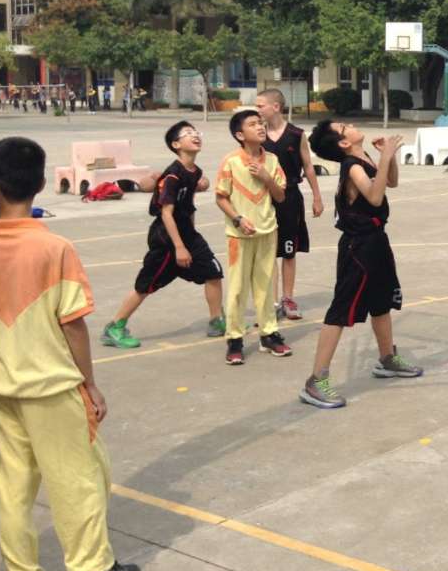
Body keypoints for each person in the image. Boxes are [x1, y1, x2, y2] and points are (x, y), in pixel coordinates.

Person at [0, 137, 143, 571]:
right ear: (42, 184)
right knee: (79, 482)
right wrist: (89, 383)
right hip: (54, 390)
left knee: (12, 490)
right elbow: (73, 323)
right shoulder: (55, 247)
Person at [299, 120, 423, 409]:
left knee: (381, 303)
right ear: (343, 143)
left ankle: (387, 358)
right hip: (358, 247)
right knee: (341, 310)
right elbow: (375, 195)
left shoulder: (363, 157)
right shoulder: (352, 166)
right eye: (345, 127)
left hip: (376, 241)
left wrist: (386, 158)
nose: (352, 125)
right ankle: (316, 380)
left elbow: (390, 182)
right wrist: (385, 156)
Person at [101, 122, 226, 349]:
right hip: (167, 239)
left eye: (196, 132)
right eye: (188, 134)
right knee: (146, 285)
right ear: (176, 145)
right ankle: (114, 327)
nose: (195, 136)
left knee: (213, 273)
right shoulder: (173, 176)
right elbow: (166, 213)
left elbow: (188, 207)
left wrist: (191, 238)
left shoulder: (194, 171)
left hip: (188, 234)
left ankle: (217, 321)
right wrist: (179, 246)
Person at [215, 110, 291, 366]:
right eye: (252, 124)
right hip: (240, 234)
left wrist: (266, 177)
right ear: (240, 134)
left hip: (268, 229)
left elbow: (280, 196)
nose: (260, 127)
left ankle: (268, 333)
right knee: (237, 288)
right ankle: (234, 338)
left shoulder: (271, 159)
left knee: (266, 285)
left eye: (261, 123)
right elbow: (221, 197)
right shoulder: (230, 162)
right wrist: (237, 218)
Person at [256, 89, 324, 320]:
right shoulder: (258, 135)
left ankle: (288, 297)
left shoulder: (296, 134)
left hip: (291, 197)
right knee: (268, 251)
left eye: (261, 105)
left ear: (275, 106)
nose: (257, 110)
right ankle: (272, 301)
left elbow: (308, 166)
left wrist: (317, 196)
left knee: (288, 250)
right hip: (265, 198)